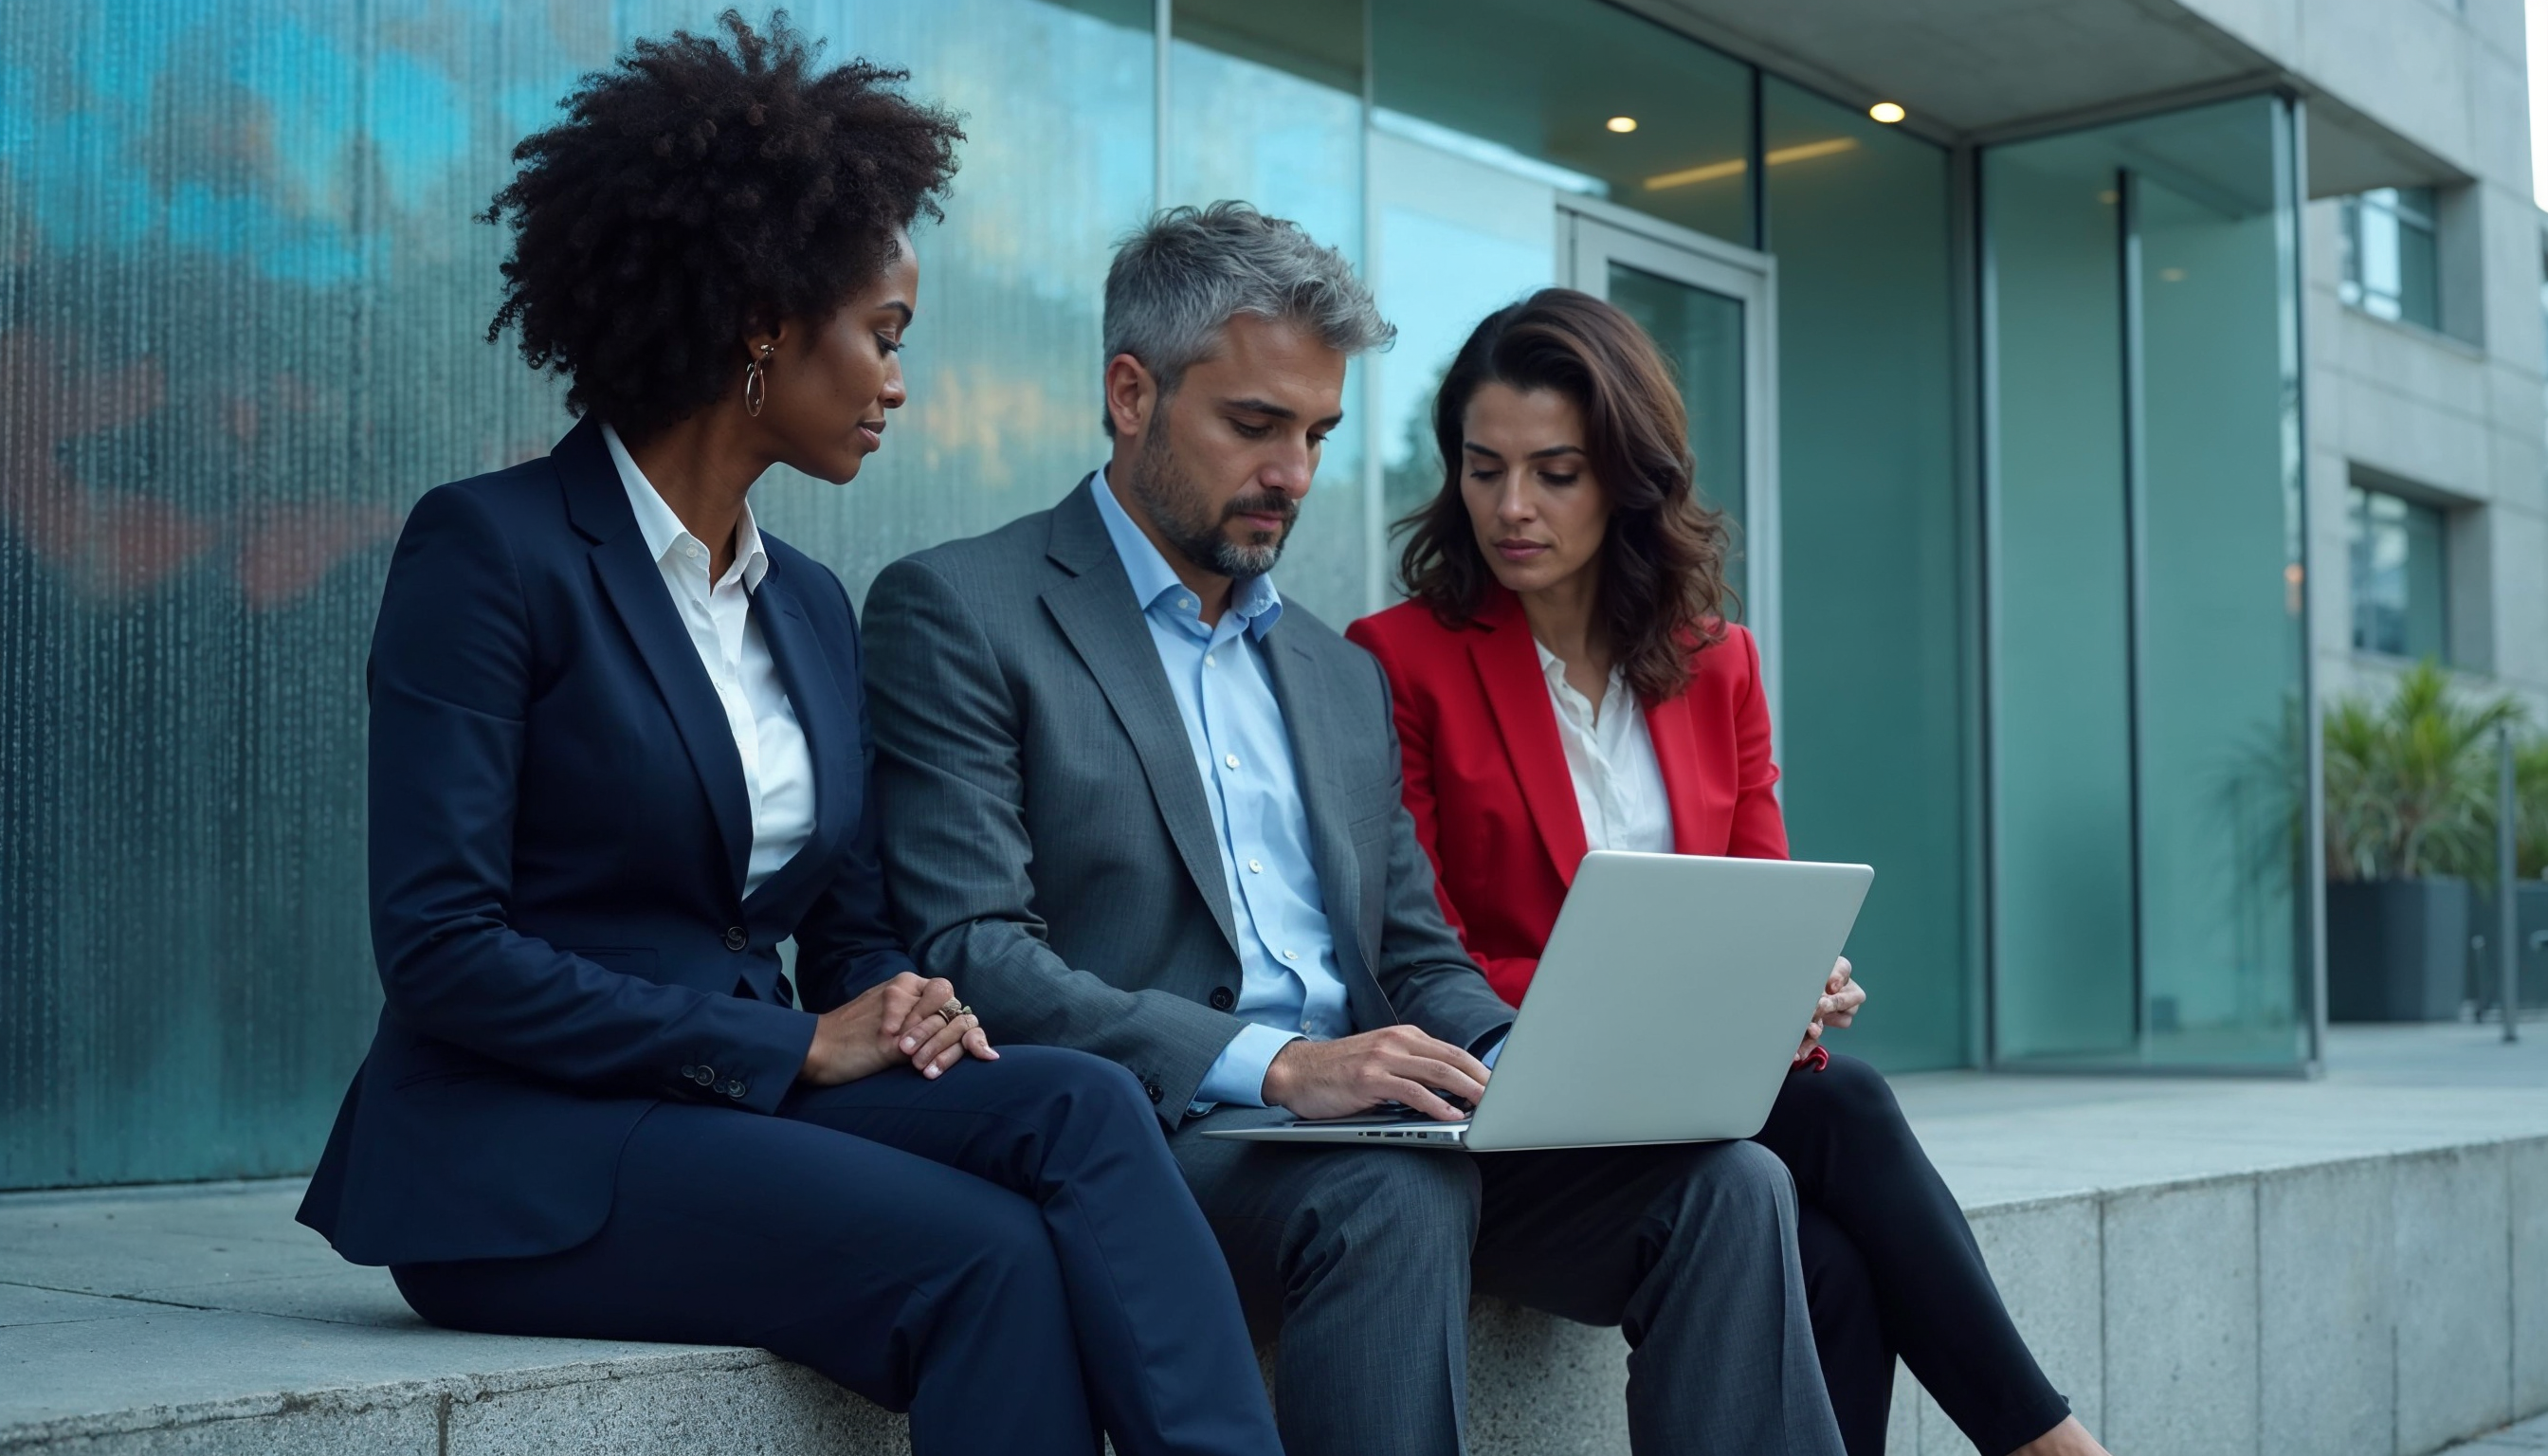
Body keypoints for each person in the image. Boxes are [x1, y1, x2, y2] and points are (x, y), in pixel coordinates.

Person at [292, 18, 1282, 1456]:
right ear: (763, 319)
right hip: (520, 1147)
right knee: (985, 1253)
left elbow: (855, 931)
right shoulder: (491, 552)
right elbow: (442, 950)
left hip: (736, 1100)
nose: (896, 382)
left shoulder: (810, 605)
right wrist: (794, 1049)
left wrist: (900, 1010)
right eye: (882, 336)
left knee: (1082, 1110)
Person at [861, 201, 1846, 1456]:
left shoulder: (1336, 677)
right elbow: (974, 956)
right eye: (1254, 426)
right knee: (1389, 1191)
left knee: (1730, 1185)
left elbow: (1420, 956)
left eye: (1319, 434)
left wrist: (1526, 1064)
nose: (1293, 475)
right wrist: (1273, 1065)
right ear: (1129, 393)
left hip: (1382, 1135)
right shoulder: (961, 610)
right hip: (1156, 1142)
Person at [1343, 288, 2113, 1456]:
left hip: (1694, 1098)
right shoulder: (1399, 659)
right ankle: (2052, 1444)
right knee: (1847, 1107)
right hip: (1512, 1104)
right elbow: (1418, 950)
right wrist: (1647, 993)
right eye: (1482, 466)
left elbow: (1756, 898)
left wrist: (1795, 983)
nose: (1510, 507)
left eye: (1555, 472)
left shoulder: (1718, 665)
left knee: (1834, 1260)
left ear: (1626, 477)